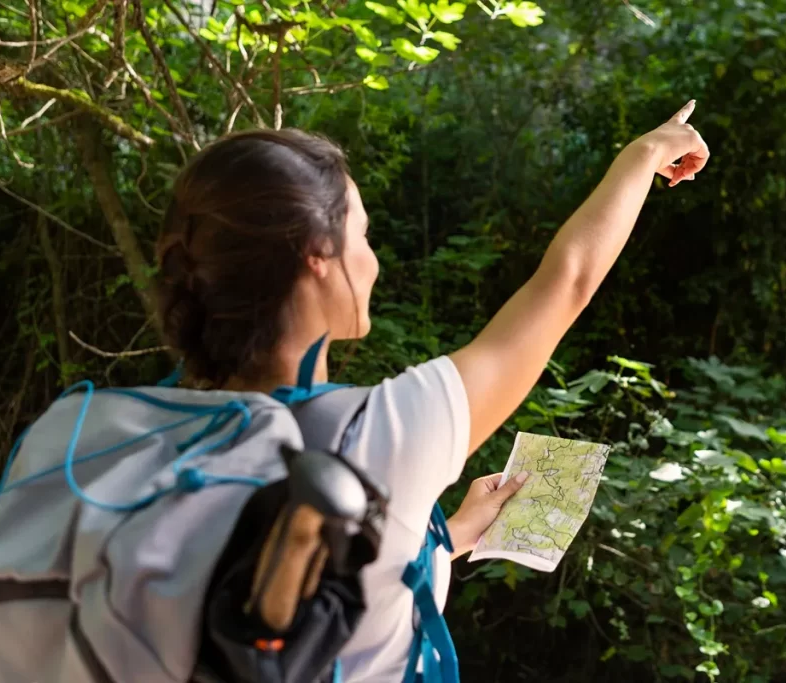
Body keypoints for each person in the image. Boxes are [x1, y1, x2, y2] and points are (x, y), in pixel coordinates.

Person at [154, 100, 709, 682]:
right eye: (362, 236)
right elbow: (567, 281)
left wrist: (457, 531)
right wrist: (644, 154)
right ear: (316, 256)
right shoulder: (381, 436)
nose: (372, 262)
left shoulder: (140, 437)